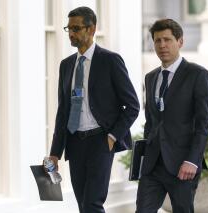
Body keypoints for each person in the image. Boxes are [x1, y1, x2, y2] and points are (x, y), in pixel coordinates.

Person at [48, 6, 140, 213]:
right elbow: (63, 112)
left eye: (76, 28)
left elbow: (132, 105)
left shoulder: (110, 61)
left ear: (91, 29)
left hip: (100, 141)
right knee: (83, 204)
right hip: (74, 142)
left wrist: (113, 136)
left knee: (92, 204)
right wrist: (55, 153)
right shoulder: (66, 65)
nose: (71, 33)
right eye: (68, 28)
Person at [136, 18, 208, 213]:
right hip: (153, 165)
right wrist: (144, 156)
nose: (162, 45)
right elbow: (152, 121)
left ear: (180, 42)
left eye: (167, 40)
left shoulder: (198, 75)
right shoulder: (151, 77)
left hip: (183, 164)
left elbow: (204, 123)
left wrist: (192, 160)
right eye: (157, 41)